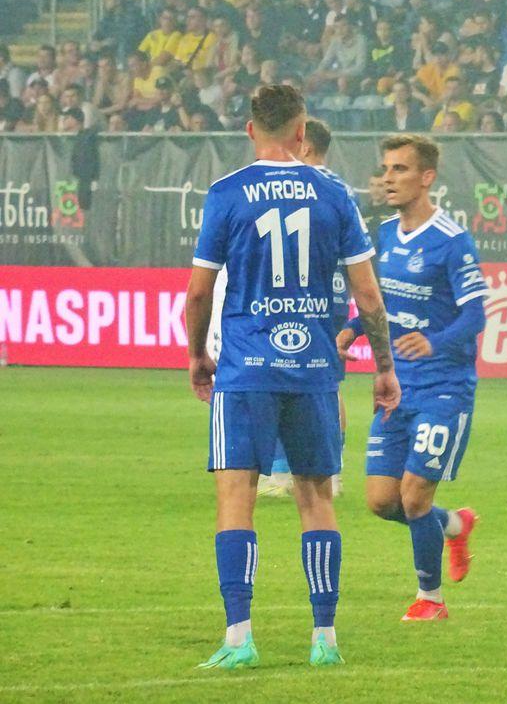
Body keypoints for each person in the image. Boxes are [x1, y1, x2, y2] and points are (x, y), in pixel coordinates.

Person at [185, 84, 399, 668]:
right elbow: (368, 296)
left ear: (250, 130)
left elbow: (199, 291)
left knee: (237, 496)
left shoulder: (227, 193)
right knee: (316, 498)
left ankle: (239, 638)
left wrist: (197, 355)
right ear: (302, 133)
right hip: (314, 369)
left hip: (245, 368)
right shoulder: (335, 194)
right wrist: (384, 368)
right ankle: (325, 638)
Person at [338, 134, 484, 622]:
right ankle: (454, 526)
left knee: (415, 495)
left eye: (399, 169)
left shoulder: (452, 241)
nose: (388, 178)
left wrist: (435, 342)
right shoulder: (384, 234)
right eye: (385, 169)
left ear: (426, 178)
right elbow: (383, 301)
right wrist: (354, 326)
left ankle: (431, 600)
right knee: (382, 502)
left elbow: (475, 316)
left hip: (444, 386)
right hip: (397, 385)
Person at [255, 119, 353, 499]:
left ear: (306, 146)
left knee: (291, 379)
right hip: (333, 296)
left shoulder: (306, 187)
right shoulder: (341, 189)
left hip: (306, 296)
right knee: (326, 383)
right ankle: (327, 470)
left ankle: (287, 472)